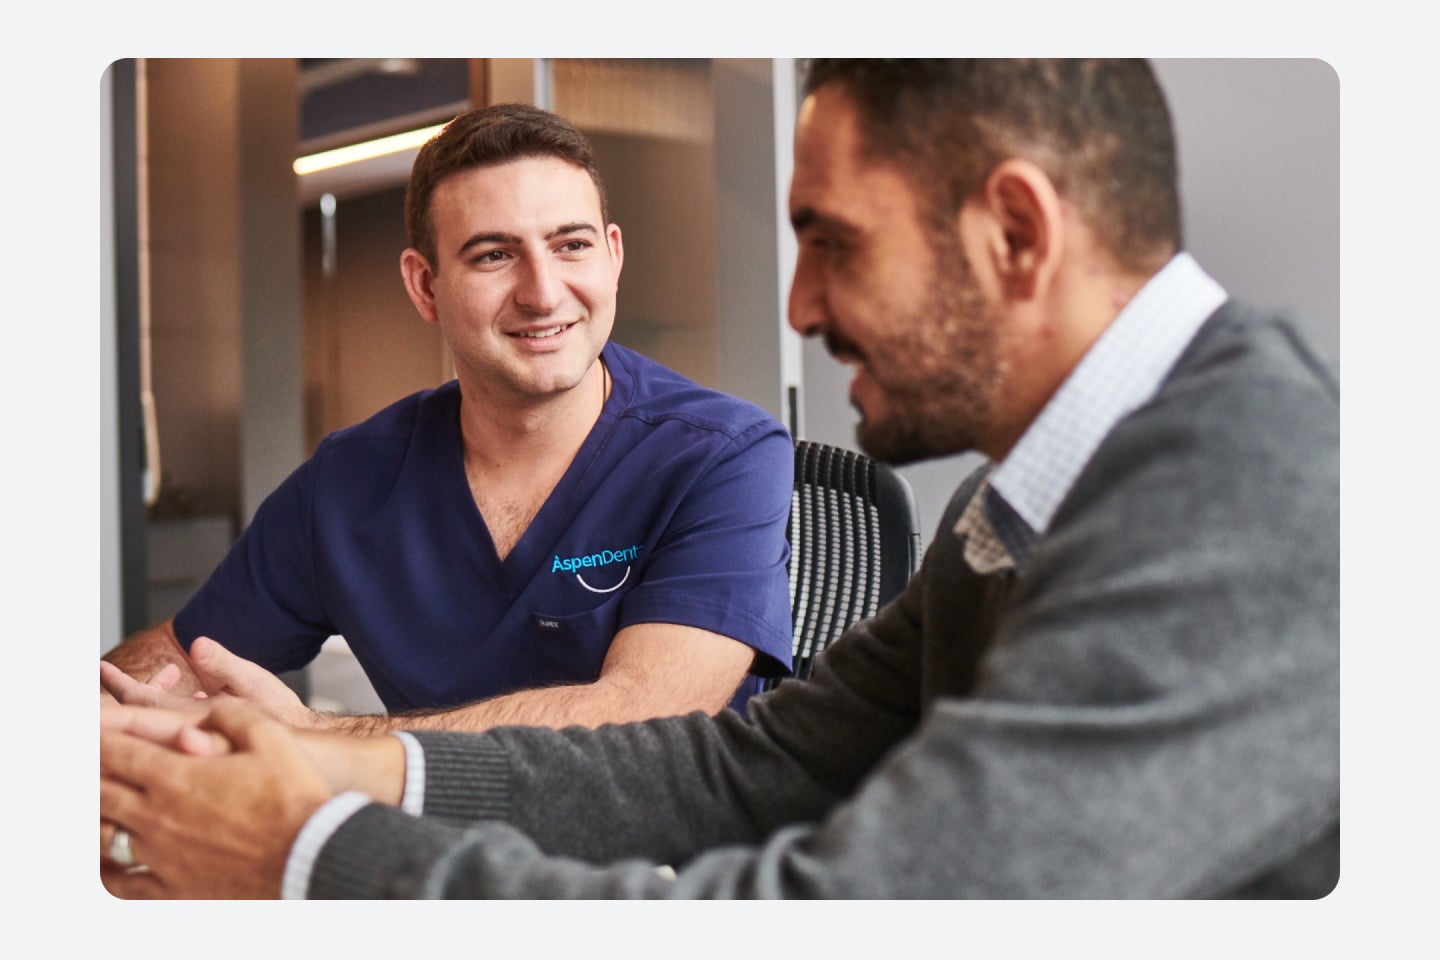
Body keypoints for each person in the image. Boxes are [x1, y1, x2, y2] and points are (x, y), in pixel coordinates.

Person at [100, 59, 1339, 898]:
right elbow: (754, 768)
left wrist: (310, 848)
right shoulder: (1008, 509)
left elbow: (854, 911)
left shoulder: (1256, 495)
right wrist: (346, 764)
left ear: (1015, 234)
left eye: (834, 243)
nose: (799, 305)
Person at [100, 102, 796, 732]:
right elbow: (184, 655)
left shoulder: (721, 454)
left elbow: (641, 720)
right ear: (425, 285)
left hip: (659, 865)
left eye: (571, 245)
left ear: (613, 257)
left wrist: (320, 738)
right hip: (424, 854)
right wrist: (111, 706)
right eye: (495, 254)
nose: (543, 291)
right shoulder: (350, 480)